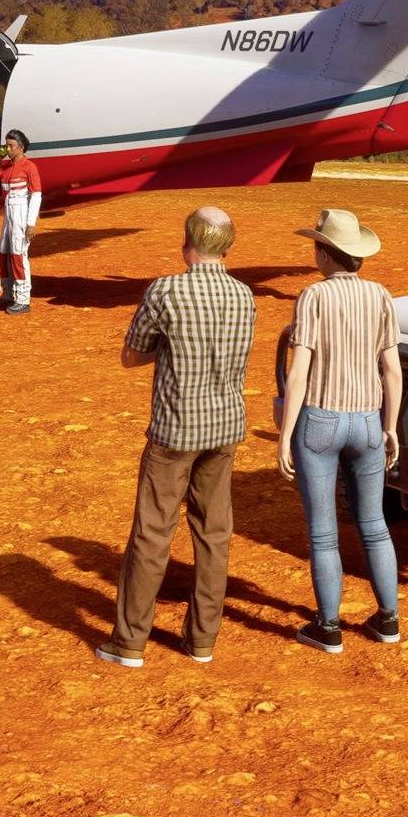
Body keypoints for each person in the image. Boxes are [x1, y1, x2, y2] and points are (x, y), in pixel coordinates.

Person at [96, 206, 255, 668]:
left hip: (174, 429)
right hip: (224, 427)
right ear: (228, 246)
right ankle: (202, 639)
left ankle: (129, 642)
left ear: (187, 242)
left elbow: (132, 356)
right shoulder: (245, 296)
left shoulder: (166, 290)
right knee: (214, 534)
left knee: (152, 533)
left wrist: (165, 350)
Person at [275, 209, 404, 651]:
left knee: (323, 532)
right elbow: (392, 370)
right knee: (374, 524)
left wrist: (285, 433)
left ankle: (328, 627)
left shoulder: (313, 297)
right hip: (368, 421)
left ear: (327, 253)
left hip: (321, 421)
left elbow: (299, 372)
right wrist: (391, 427)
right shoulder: (381, 297)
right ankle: (388, 619)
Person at [0, 128, 42, 314]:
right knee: (4, 255)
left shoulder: (29, 167)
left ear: (21, 147)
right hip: (8, 214)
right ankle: (8, 296)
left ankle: (23, 299)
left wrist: (31, 223)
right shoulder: (5, 167)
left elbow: (36, 195)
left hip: (21, 214)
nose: (7, 148)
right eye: (6, 145)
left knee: (18, 256)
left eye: (10, 145)